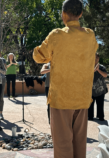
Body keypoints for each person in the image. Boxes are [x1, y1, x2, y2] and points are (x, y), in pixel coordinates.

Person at [33, 1, 98, 157]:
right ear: (80, 14)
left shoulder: (57, 35)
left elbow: (39, 56)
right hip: (82, 99)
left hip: (61, 99)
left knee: (63, 145)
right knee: (80, 143)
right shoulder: (90, 36)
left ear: (63, 14)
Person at [88, 53, 108, 121]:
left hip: (101, 90)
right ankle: (90, 116)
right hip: (90, 90)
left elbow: (105, 75)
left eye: (97, 57)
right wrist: (92, 71)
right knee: (90, 105)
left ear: (98, 59)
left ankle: (100, 116)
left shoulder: (102, 67)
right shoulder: (88, 66)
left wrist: (98, 70)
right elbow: (85, 76)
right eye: (94, 57)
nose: (95, 59)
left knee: (100, 104)